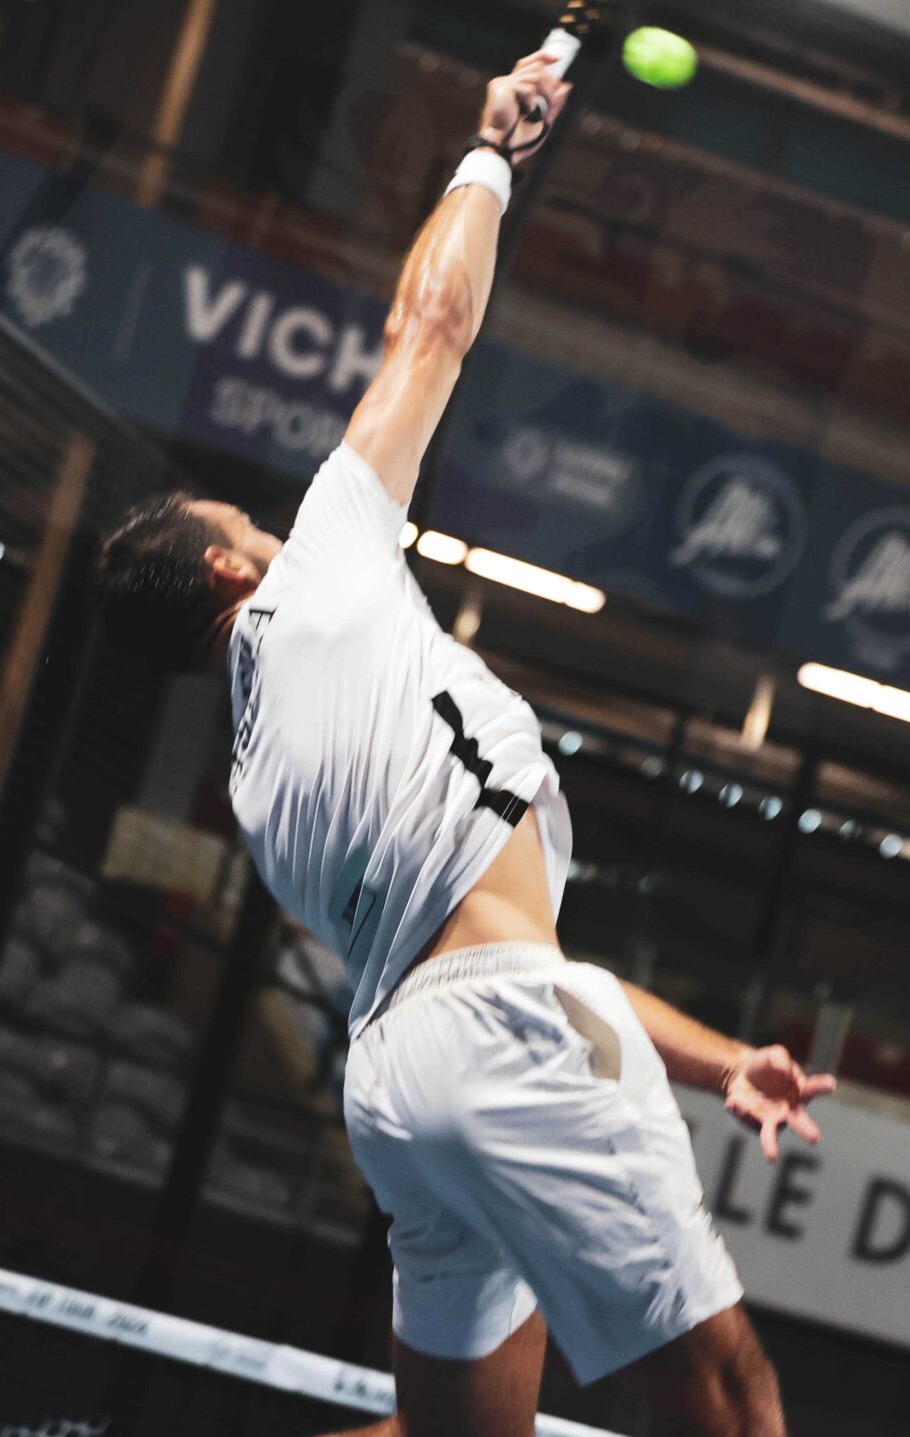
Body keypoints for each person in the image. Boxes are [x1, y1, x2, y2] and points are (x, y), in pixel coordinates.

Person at [97, 51, 834, 1437]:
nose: (270, 522)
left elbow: (520, 972)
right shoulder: (316, 576)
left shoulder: (259, 782)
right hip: (496, 1042)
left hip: (401, 1085)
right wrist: (491, 152)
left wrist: (719, 1057)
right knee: (736, 1405)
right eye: (244, 523)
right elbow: (428, 326)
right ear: (227, 570)